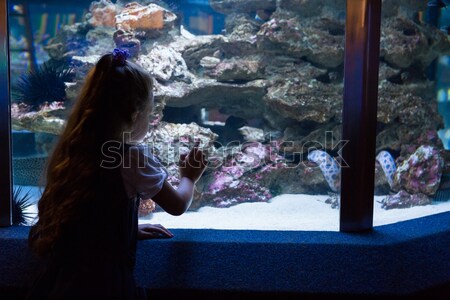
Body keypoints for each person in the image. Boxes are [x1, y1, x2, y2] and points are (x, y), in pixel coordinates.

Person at [27, 48, 207, 300]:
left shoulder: (72, 148)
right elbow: (176, 205)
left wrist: (126, 230)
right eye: (150, 111)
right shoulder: (130, 156)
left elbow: (81, 216)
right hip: (105, 285)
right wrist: (189, 176)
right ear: (135, 115)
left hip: (58, 283)